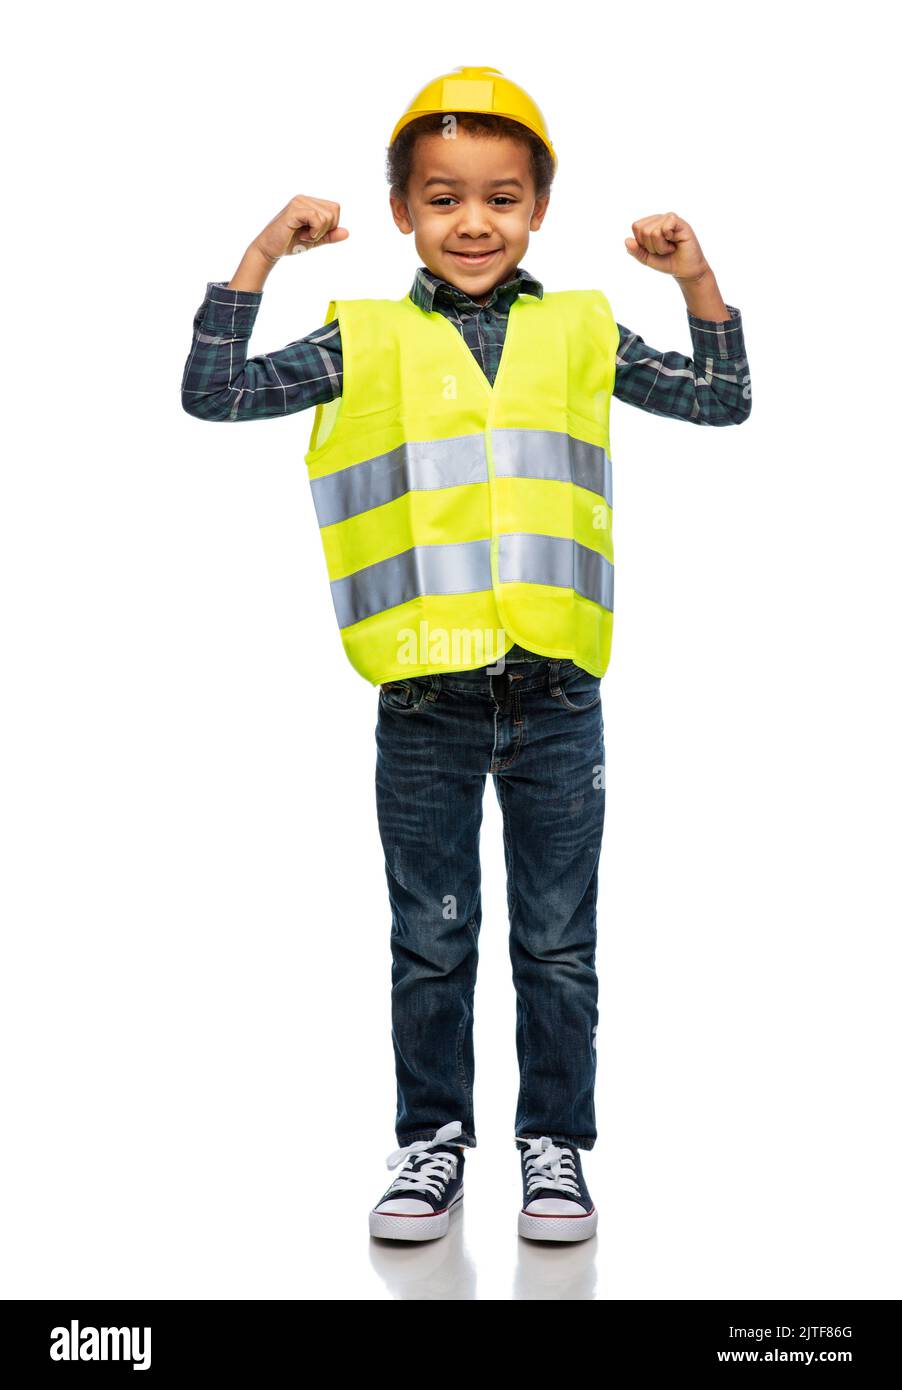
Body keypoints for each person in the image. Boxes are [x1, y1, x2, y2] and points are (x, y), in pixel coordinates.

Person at [182, 66, 751, 1245]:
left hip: (556, 696)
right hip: (423, 700)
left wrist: (693, 276)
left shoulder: (583, 328)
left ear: (538, 207)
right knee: (430, 940)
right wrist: (260, 256)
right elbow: (213, 392)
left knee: (555, 942)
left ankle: (555, 1148)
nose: (473, 221)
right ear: (401, 212)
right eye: (442, 198)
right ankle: (430, 1142)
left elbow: (718, 402)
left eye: (500, 196)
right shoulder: (365, 337)